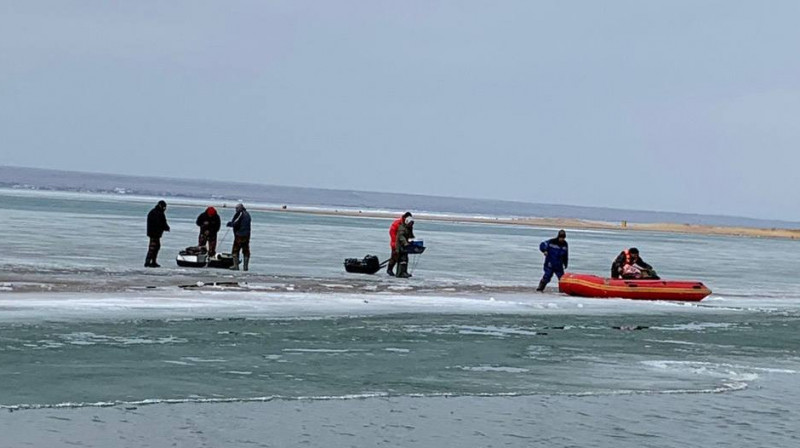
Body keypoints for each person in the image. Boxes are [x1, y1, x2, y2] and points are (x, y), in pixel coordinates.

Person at [144, 200, 170, 268]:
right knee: (153, 248)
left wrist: (166, 227)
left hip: (156, 233)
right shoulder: (155, 213)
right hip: (154, 233)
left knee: (156, 247)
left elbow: (163, 222)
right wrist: (165, 227)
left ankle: (153, 261)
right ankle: (148, 262)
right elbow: (160, 223)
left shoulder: (157, 212)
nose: (165, 209)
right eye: (164, 207)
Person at [226, 203, 251, 271]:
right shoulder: (247, 214)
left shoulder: (241, 214)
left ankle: (235, 266)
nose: (236, 210)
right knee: (246, 250)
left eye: (237, 208)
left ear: (240, 208)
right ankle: (245, 267)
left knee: (235, 250)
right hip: (246, 235)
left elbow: (236, 223)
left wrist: (230, 224)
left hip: (240, 235)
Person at [387, 212, 412, 276]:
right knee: (395, 256)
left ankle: (403, 271)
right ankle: (389, 269)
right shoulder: (396, 223)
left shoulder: (408, 223)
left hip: (404, 243)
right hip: (395, 242)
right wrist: (397, 242)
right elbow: (392, 233)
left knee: (404, 257)